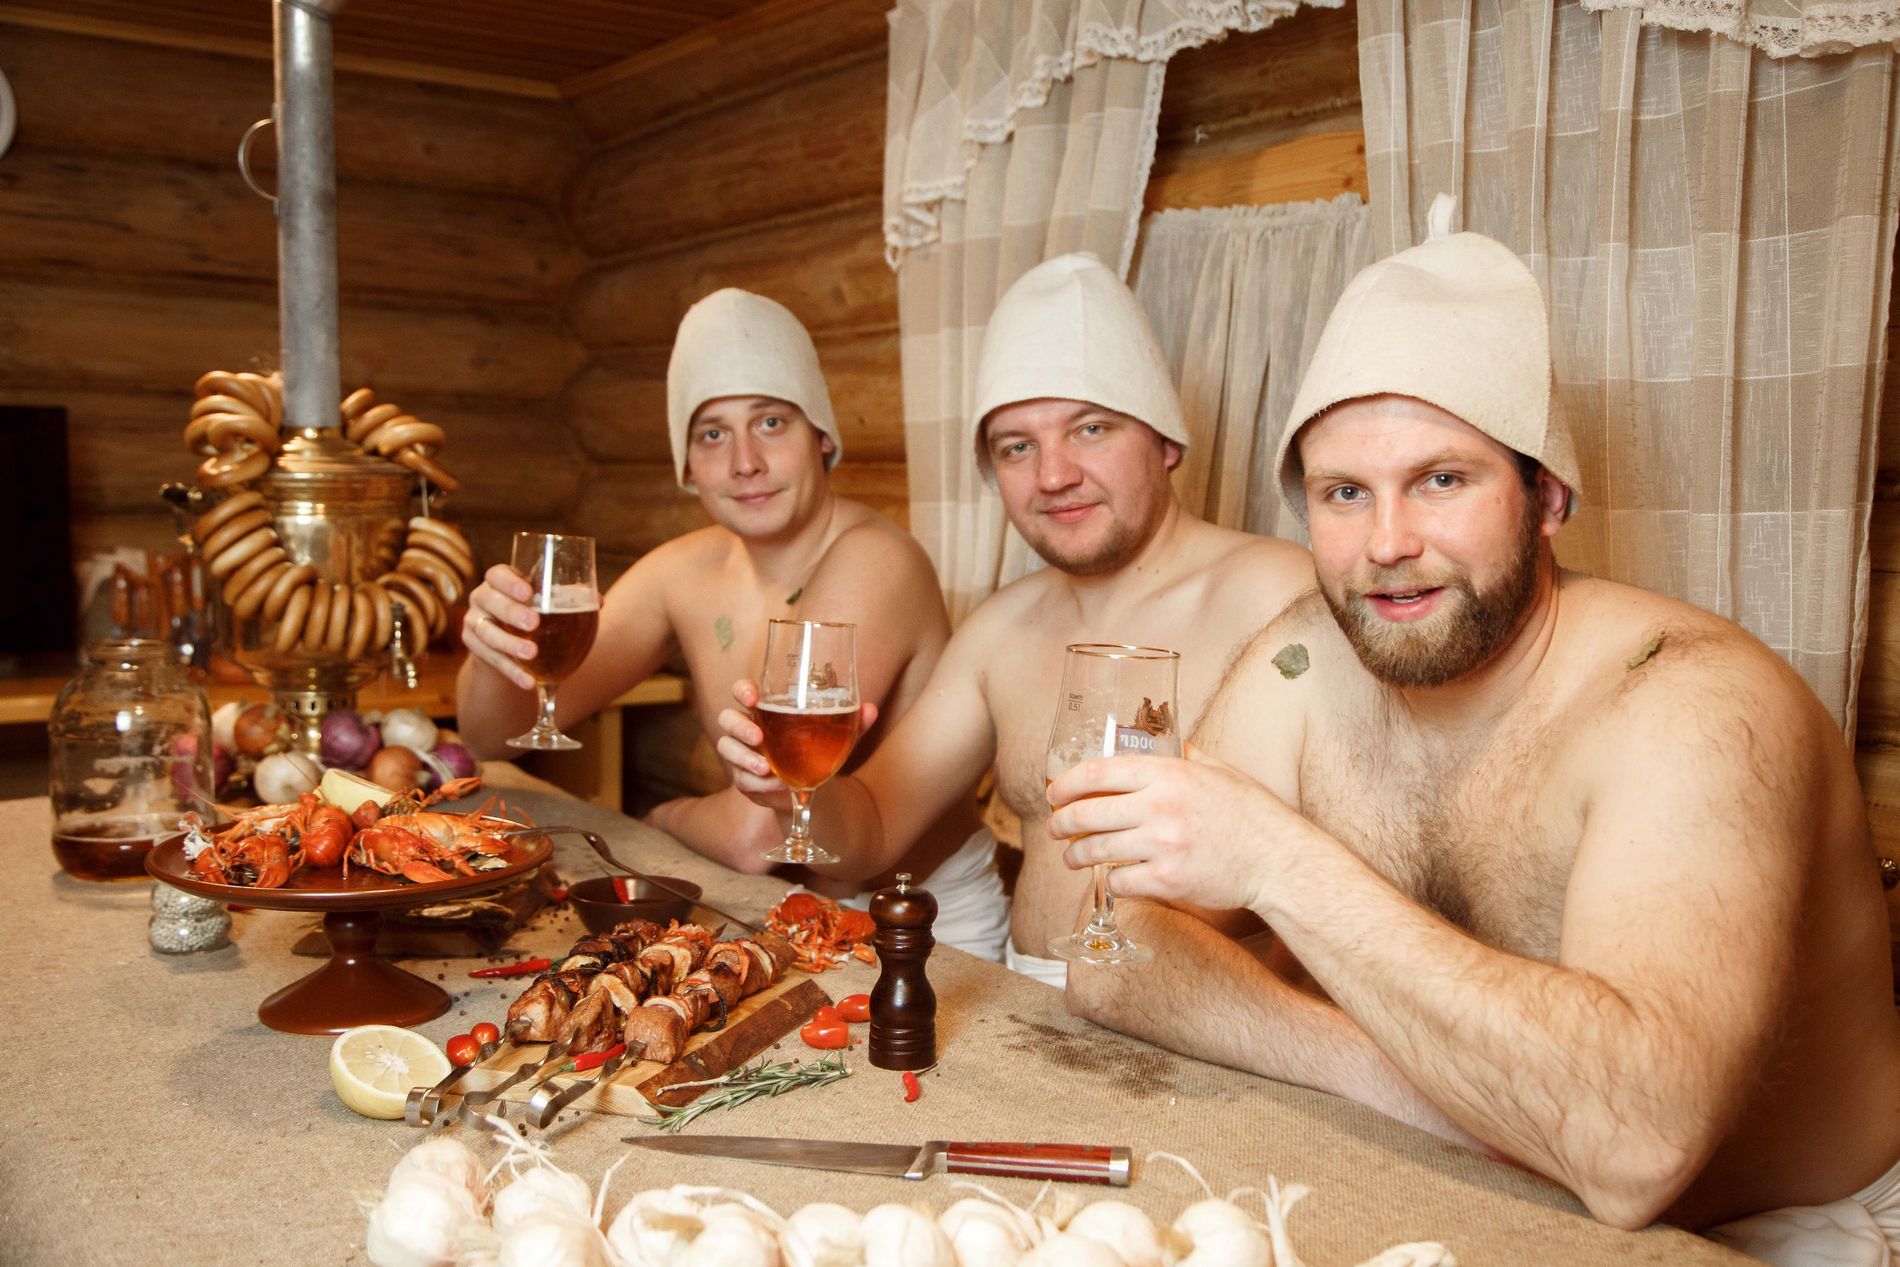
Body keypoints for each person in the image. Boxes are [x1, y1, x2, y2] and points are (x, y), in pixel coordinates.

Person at [1046, 203, 1900, 1256]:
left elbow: (1632, 1146)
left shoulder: (1695, 702)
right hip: (1469, 1179)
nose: (1387, 543)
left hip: (1763, 1234)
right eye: (1344, 492)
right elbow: (1109, 951)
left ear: (1547, 496)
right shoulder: (1301, 661)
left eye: (1440, 480)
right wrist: (1440, 1092)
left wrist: (1275, 859)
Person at [717, 254, 1314, 984]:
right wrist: (789, 795)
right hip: (1026, 1009)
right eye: (1018, 447)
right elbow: (872, 828)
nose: (1054, 475)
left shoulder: (1278, 596)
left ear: (1165, 442)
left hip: (1198, 1020)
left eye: (1090, 429)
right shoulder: (1001, 629)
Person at [455, 288, 999, 957]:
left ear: (822, 436)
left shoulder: (874, 561)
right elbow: (492, 735)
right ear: (687, 465)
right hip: (787, 914)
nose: (745, 462)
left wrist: (660, 818)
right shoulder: (684, 569)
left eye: (771, 422)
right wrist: (494, 649)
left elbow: (755, 836)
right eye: (713, 433)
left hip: (922, 922)